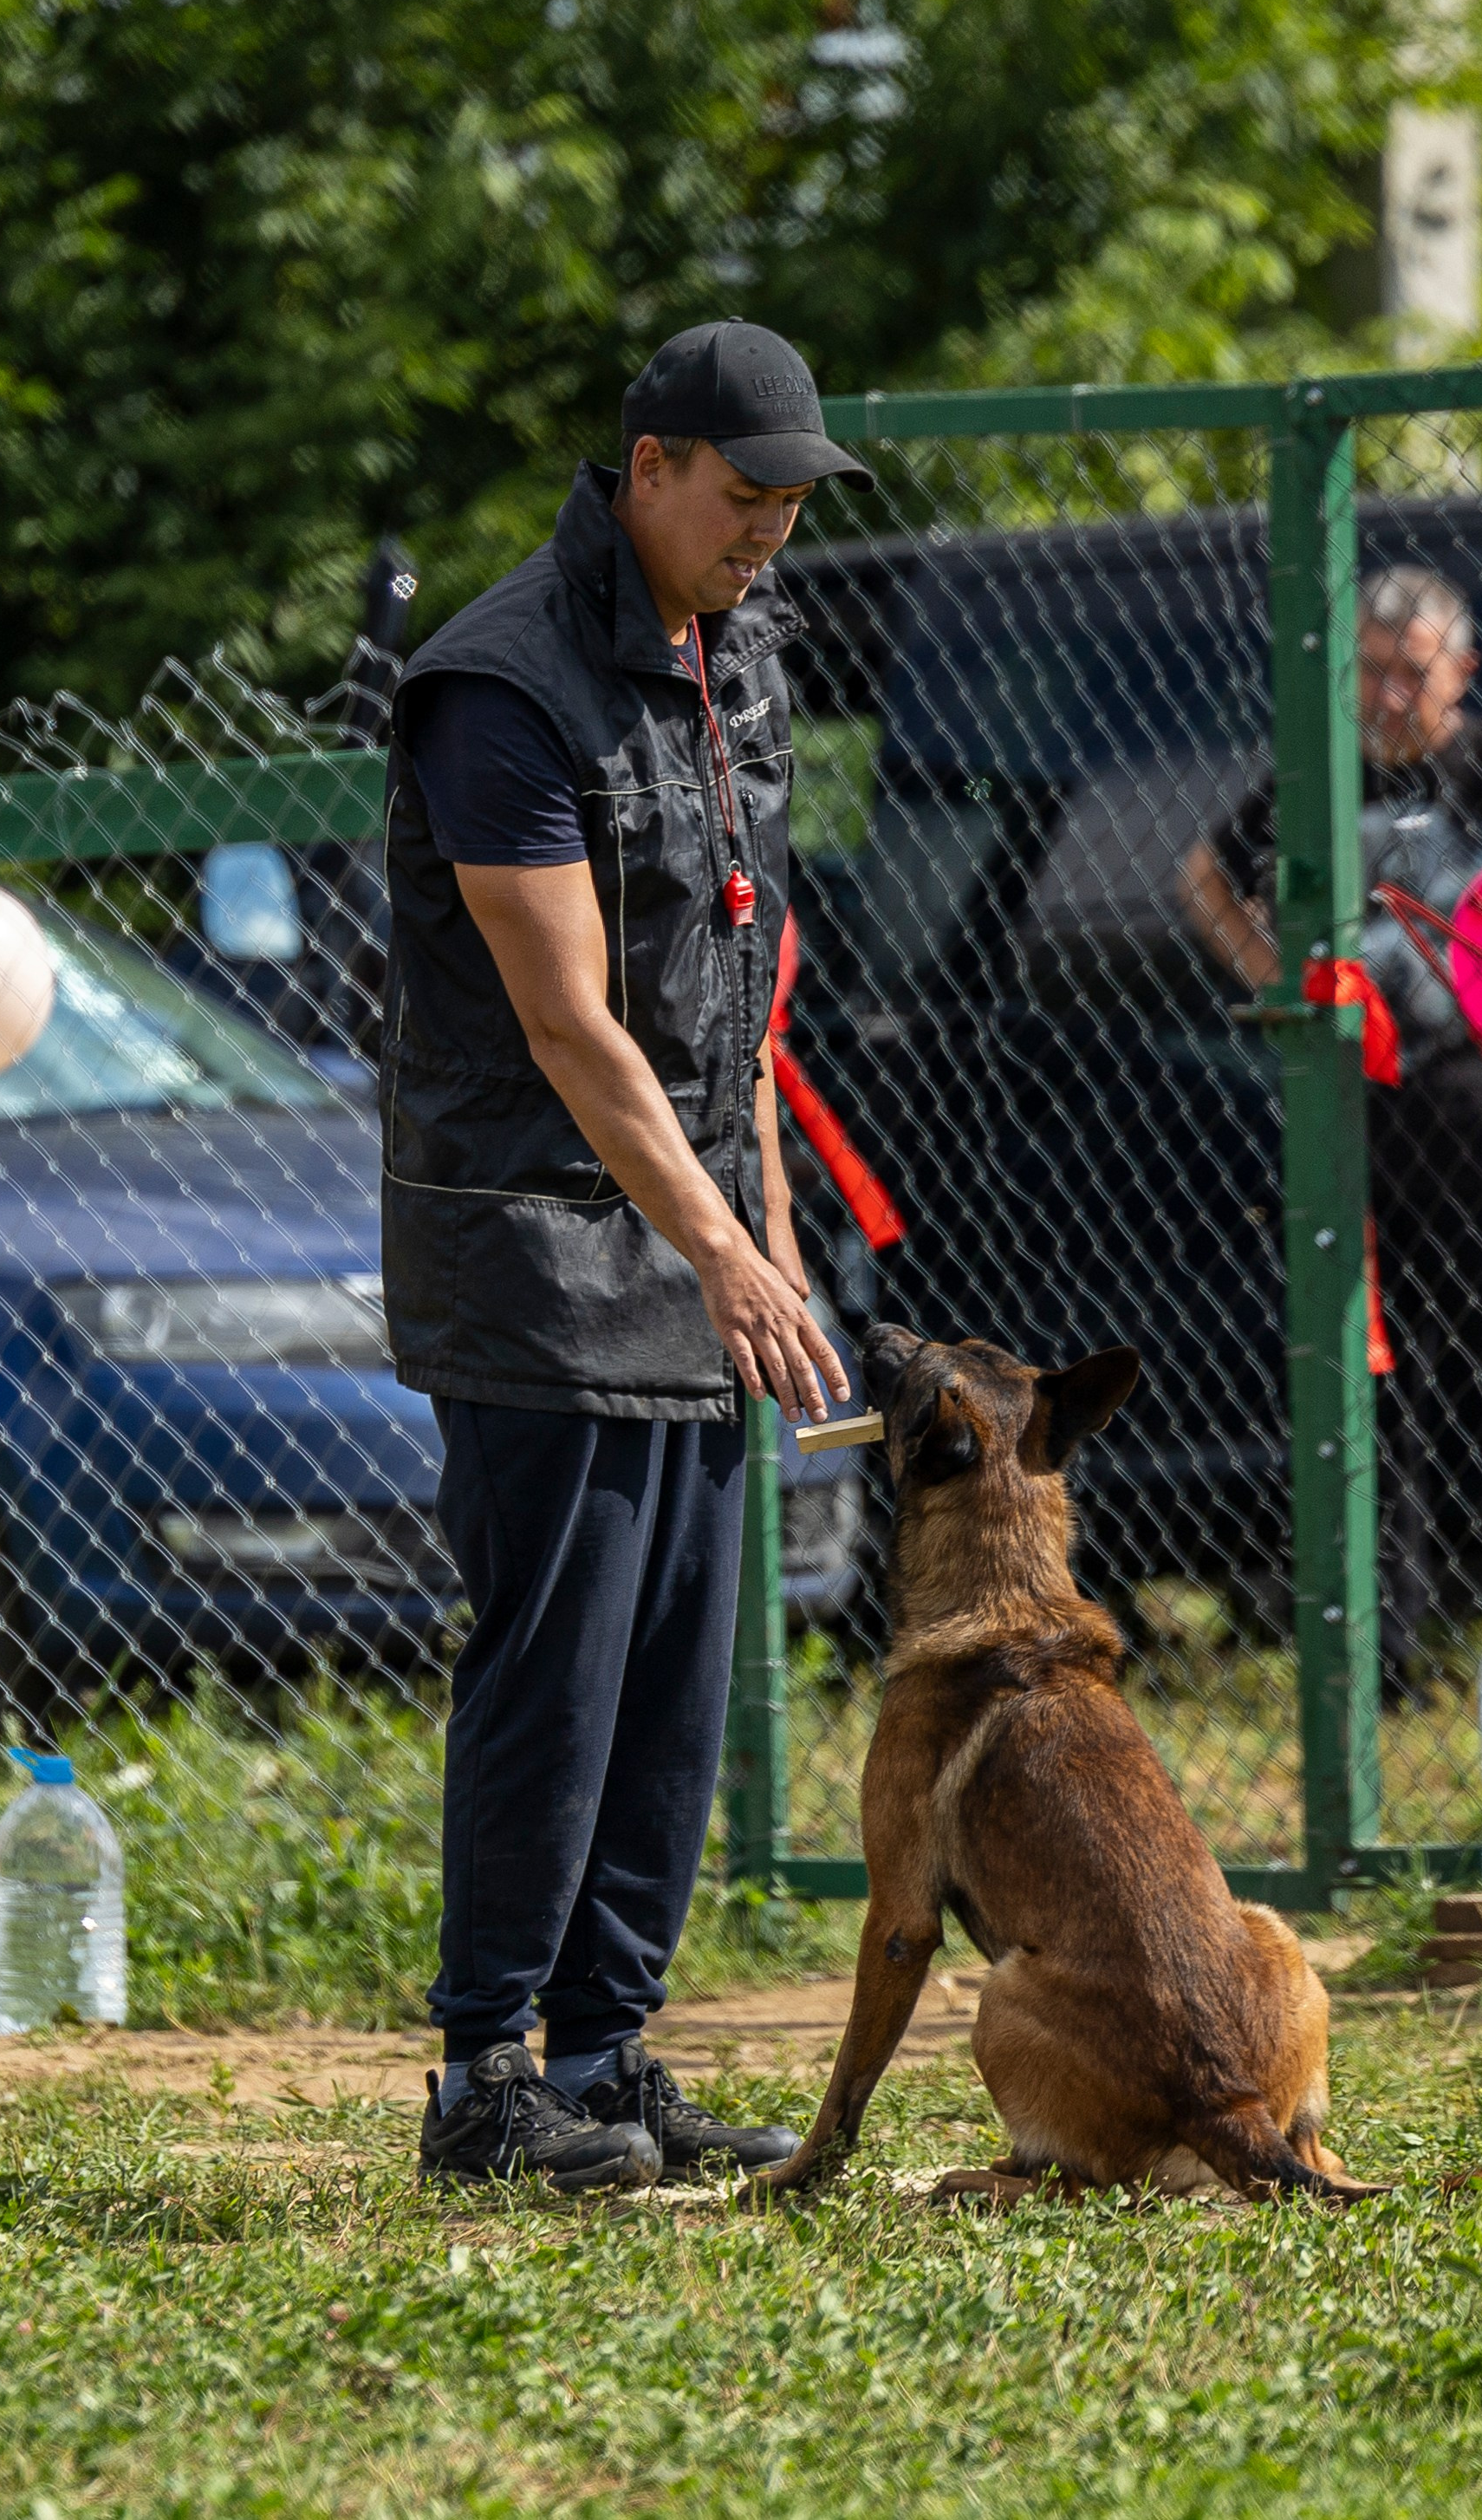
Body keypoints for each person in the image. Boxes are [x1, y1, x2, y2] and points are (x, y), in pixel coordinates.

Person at [385, 321, 872, 2191]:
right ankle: (485, 2080)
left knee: (675, 1673)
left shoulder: (725, 656)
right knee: (558, 1666)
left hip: (686, 1240)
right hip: (532, 1252)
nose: (771, 537)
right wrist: (722, 1246)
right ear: (649, 464)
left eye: (792, 508)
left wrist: (769, 1237)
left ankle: (603, 2053)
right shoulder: (500, 684)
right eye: (746, 498)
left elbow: (733, 993)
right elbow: (575, 1023)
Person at [1180, 566, 1482, 1712]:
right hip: (1359, 1139)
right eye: (1371, 671)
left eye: (1412, 671)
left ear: (1460, 675)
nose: (1389, 694)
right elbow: (1204, 873)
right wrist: (1283, 983)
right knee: (1371, 1392)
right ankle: (1378, 1654)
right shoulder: (1312, 776)